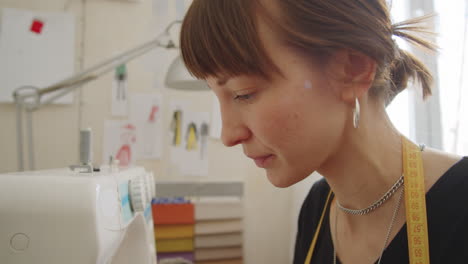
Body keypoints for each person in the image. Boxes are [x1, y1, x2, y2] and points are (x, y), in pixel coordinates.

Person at [179, 0, 468, 263]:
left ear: (352, 70)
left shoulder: (461, 204)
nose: (229, 135)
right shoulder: (317, 209)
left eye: (243, 94)